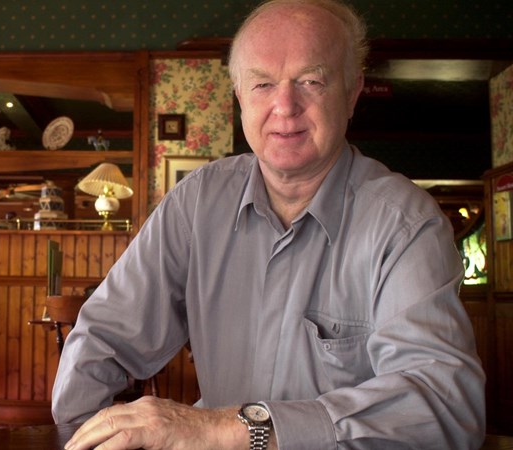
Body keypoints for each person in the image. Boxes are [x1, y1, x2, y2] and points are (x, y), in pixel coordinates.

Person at [51, 0, 486, 449]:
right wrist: (83, 434)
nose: (285, 105)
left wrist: (234, 429)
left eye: (311, 81)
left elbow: (444, 408)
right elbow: (102, 337)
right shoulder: (197, 203)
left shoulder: (406, 223)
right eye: (262, 83)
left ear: (353, 92)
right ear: (240, 97)